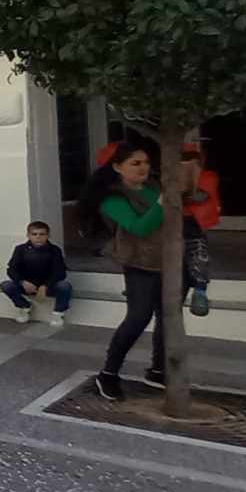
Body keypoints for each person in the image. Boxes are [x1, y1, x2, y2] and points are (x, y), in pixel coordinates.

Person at [80, 140, 168, 401]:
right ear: (118, 167)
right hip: (139, 263)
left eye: (146, 162)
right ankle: (108, 374)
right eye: (135, 163)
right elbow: (139, 227)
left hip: (170, 260)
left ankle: (159, 369)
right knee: (138, 317)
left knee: (168, 318)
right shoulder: (113, 199)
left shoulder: (154, 188)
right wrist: (164, 202)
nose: (143, 168)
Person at [1, 221, 72, 327]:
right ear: (28, 235)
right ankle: (24, 306)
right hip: (27, 286)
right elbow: (11, 270)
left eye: (42, 234)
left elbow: (60, 272)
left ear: (48, 235)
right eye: (34, 234)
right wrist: (22, 282)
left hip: (48, 286)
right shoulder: (20, 249)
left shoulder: (55, 250)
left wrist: (45, 286)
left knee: (65, 286)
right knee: (6, 285)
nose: (38, 237)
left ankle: (58, 313)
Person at [181, 145, 220, 318]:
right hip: (171, 223)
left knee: (199, 254)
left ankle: (200, 291)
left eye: (194, 163)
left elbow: (199, 196)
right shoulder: (169, 177)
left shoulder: (208, 176)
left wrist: (182, 190)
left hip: (194, 224)